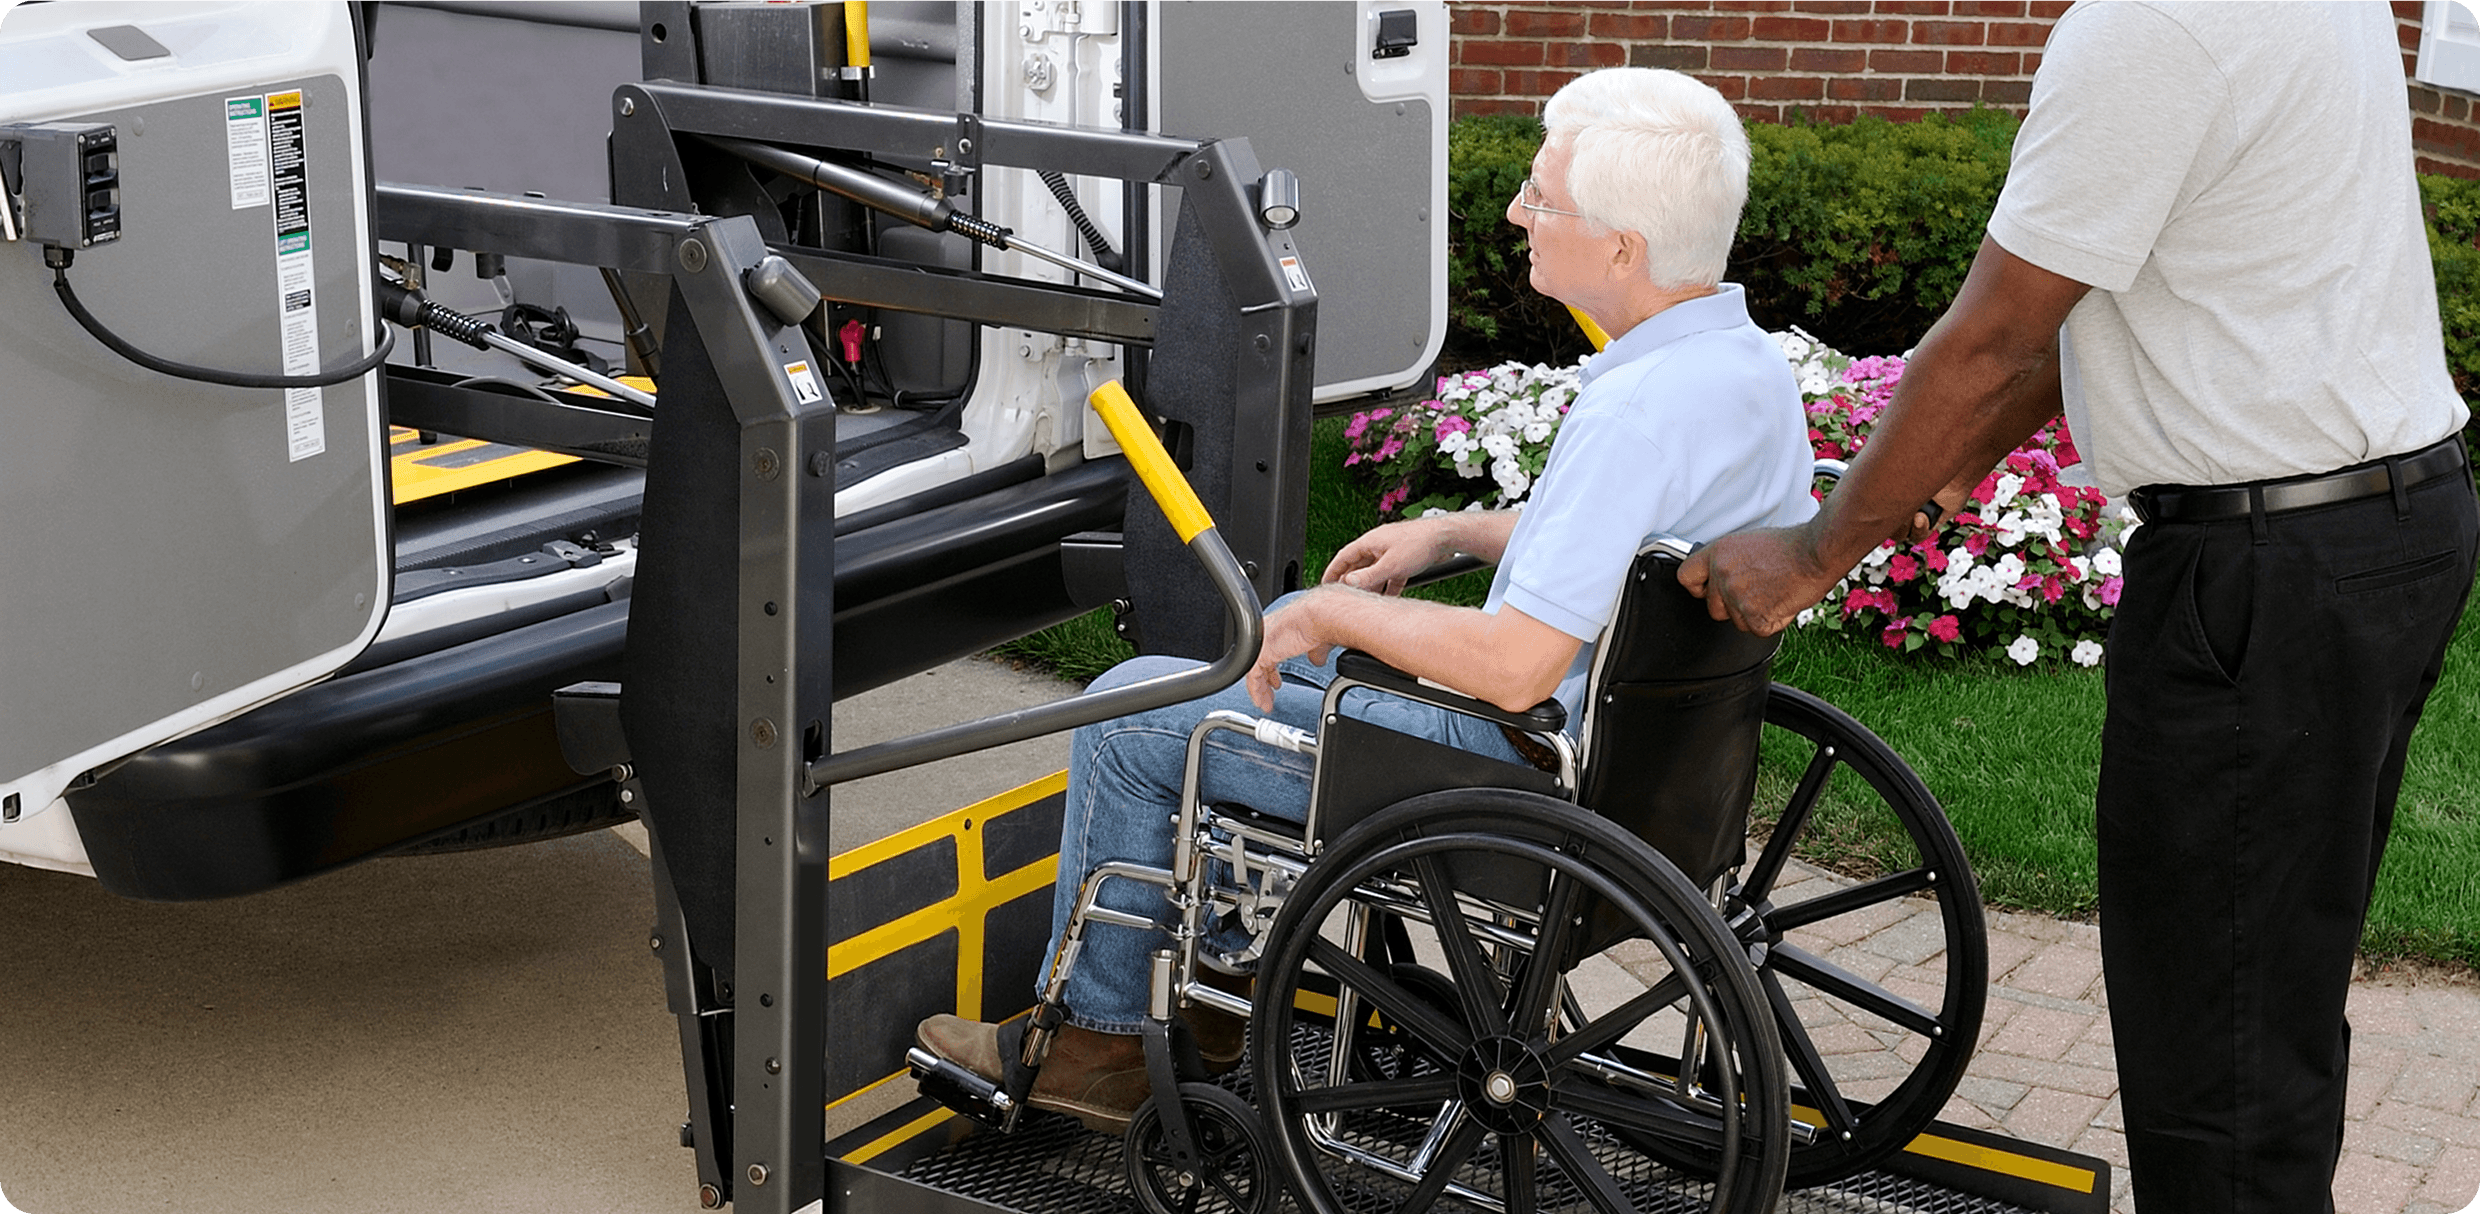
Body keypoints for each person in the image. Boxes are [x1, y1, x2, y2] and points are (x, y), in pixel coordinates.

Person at [913, 65, 1819, 1134]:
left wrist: (1327, 614)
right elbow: (1630, 550)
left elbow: (1515, 666)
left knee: (1132, 710)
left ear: (1622, 249)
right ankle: (1214, 999)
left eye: (1541, 197)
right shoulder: (1741, 368)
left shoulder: (1633, 411)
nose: (1517, 213)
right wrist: (1451, 531)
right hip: (1644, 770)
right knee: (1287, 668)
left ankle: (1099, 1040)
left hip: (1512, 766)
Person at [1680, 5, 2480, 1212]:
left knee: (2214, 1048)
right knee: (2268, 993)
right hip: (2391, 523)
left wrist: (1810, 551)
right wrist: (1945, 461)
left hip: (2262, 567)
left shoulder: (2141, 25)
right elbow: (2146, 282)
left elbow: (1997, 337)